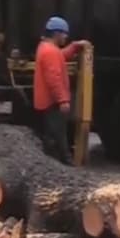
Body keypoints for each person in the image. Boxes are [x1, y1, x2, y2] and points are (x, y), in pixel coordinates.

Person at [32, 16, 89, 164]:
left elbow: (60, 56)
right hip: (52, 103)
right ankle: (63, 165)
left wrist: (74, 46)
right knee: (57, 135)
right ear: (57, 33)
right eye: (64, 33)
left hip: (47, 101)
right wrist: (62, 100)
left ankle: (58, 162)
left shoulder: (45, 48)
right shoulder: (50, 52)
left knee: (55, 134)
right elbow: (54, 79)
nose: (66, 36)